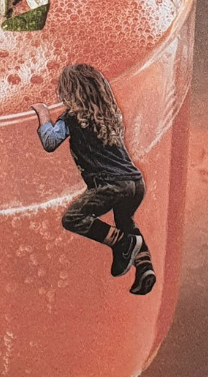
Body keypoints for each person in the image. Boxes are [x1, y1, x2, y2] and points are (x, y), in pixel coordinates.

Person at [31, 63, 156, 297]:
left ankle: (122, 243)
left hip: (111, 186)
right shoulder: (108, 115)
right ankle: (144, 266)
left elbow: (49, 142)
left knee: (73, 217)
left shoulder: (72, 118)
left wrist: (43, 114)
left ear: (69, 93)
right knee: (125, 219)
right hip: (135, 184)